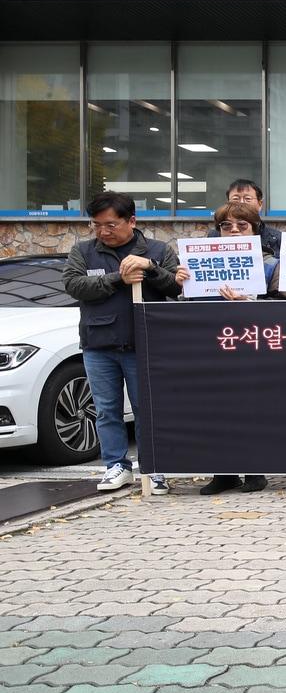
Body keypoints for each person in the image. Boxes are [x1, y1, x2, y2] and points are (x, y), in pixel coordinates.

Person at [63, 191, 189, 495]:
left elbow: (176, 286)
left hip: (144, 344)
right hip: (98, 345)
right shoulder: (83, 251)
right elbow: (73, 285)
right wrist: (117, 279)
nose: (103, 231)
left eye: (111, 225)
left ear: (131, 221)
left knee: (147, 409)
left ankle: (154, 467)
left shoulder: (157, 249)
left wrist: (149, 268)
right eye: (96, 225)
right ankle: (116, 466)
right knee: (106, 410)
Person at [197, 202, 279, 496]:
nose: (233, 231)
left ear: (255, 230)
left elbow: (283, 306)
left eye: (242, 226)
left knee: (251, 410)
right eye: (226, 226)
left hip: (254, 347)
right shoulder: (200, 263)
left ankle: (256, 471)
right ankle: (223, 472)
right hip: (213, 347)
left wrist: (250, 303)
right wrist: (181, 282)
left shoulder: (270, 264)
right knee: (216, 410)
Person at [209, 179, 283, 255]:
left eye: (247, 199)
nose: (241, 202)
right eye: (235, 199)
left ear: (260, 204)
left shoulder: (277, 239)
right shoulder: (214, 236)